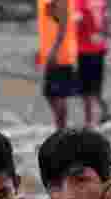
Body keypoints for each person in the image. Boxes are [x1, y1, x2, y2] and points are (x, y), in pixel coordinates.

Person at [38, 0, 79, 130]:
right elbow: (50, 24)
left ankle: (61, 129)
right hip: (53, 53)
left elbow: (63, 25)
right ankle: (60, 129)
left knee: (58, 94)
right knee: (51, 94)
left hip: (60, 55)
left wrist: (54, 50)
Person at [74, 0, 108, 127]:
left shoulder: (79, 2)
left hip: (83, 49)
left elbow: (76, 23)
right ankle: (100, 112)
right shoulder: (101, 2)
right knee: (95, 86)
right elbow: (105, 22)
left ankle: (90, 120)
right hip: (98, 48)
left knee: (86, 88)